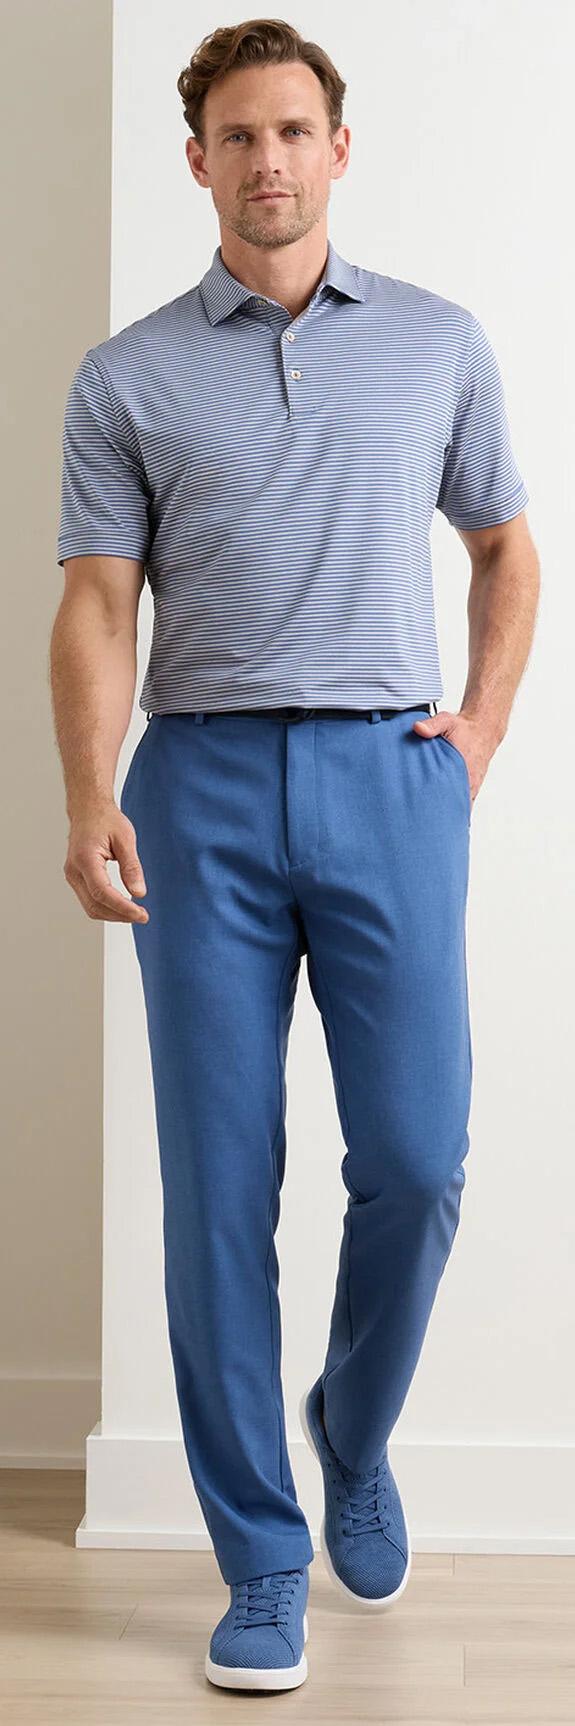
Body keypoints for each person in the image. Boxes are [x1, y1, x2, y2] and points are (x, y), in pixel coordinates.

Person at [51, 17, 540, 1695]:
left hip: (392, 776)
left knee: (418, 1156)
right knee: (217, 1185)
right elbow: (97, 605)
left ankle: (353, 1421)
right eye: (238, 136)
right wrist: (87, 793)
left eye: (293, 130)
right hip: (197, 787)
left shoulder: (438, 342)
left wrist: (476, 737)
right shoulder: (127, 377)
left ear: (340, 148)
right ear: (197, 161)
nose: (269, 159)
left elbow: (506, 549)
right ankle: (261, 1555)